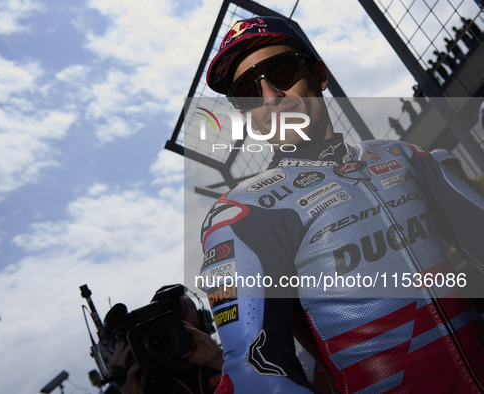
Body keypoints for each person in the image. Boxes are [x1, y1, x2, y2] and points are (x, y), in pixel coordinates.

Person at [199, 16, 484, 394]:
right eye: (247, 92)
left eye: (281, 71)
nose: (269, 96)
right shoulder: (243, 214)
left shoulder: (405, 156)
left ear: (319, 73)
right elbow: (254, 376)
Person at [110, 285, 223, 394]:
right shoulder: (139, 382)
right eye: (169, 321)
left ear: (202, 319)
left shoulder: (224, 362)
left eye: (182, 317)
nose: (177, 326)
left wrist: (218, 361)